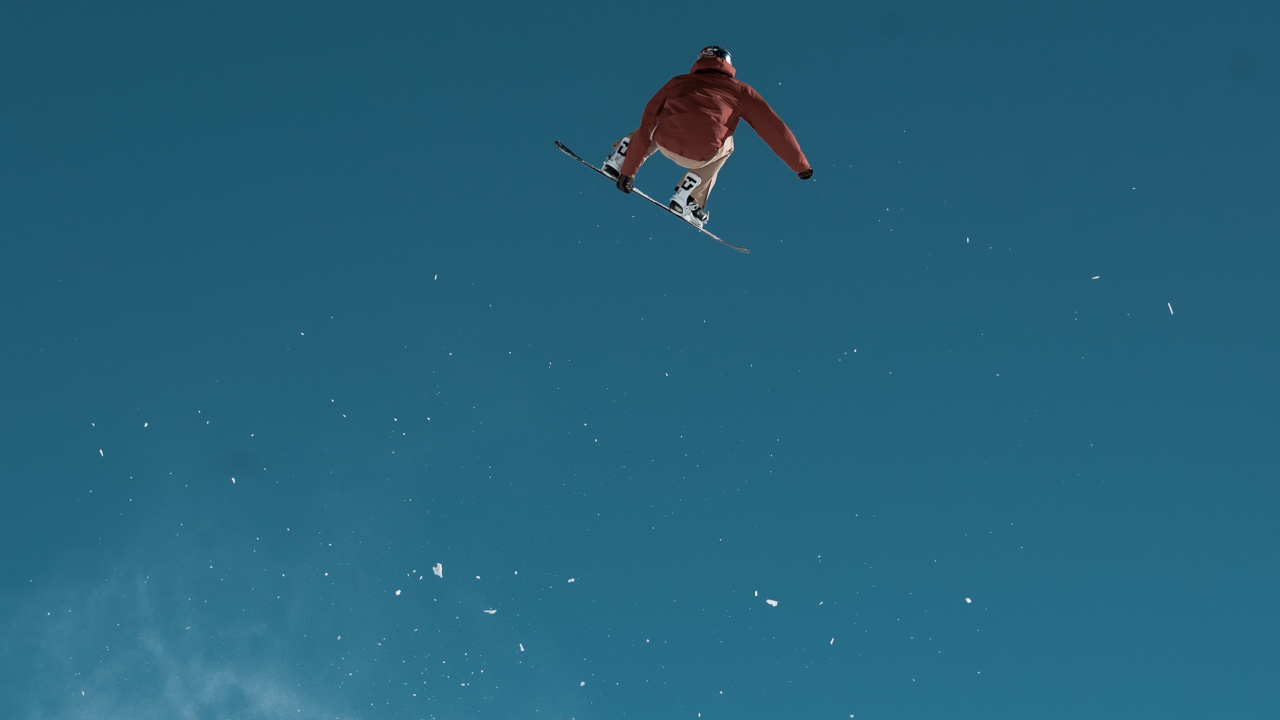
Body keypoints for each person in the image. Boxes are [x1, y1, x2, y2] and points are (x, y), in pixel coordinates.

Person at [603, 46, 813, 228]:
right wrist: (800, 165)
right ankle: (689, 197)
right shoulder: (741, 91)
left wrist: (629, 171)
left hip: (665, 141)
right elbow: (773, 129)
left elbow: (647, 120)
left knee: (657, 122)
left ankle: (620, 158)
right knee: (728, 145)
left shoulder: (679, 81)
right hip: (701, 155)